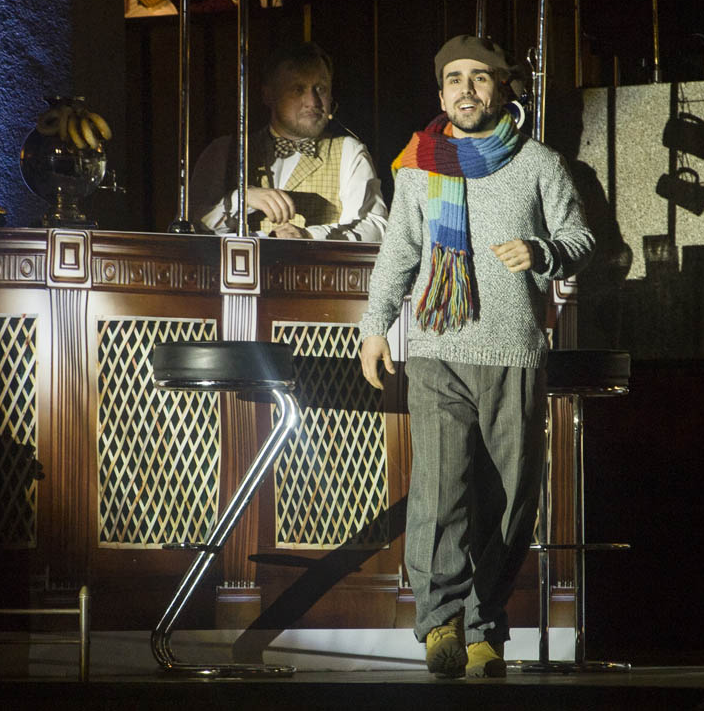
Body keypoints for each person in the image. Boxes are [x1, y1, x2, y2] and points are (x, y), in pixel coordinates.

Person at [357, 35, 594, 678]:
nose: (466, 89)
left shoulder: (539, 163)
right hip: (439, 349)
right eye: (454, 79)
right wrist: (376, 327)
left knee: (510, 499)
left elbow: (579, 237)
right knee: (440, 492)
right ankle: (440, 623)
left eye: (480, 77)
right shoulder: (418, 166)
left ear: (501, 88)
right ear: (441, 95)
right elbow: (399, 254)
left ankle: (485, 624)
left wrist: (543, 252)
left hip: (513, 350)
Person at [195, 41, 387, 241]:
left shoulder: (349, 151)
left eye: (321, 89)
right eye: (298, 89)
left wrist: (310, 235)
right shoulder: (225, 152)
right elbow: (193, 227)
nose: (312, 102)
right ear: (268, 95)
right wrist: (241, 199)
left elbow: (376, 228)